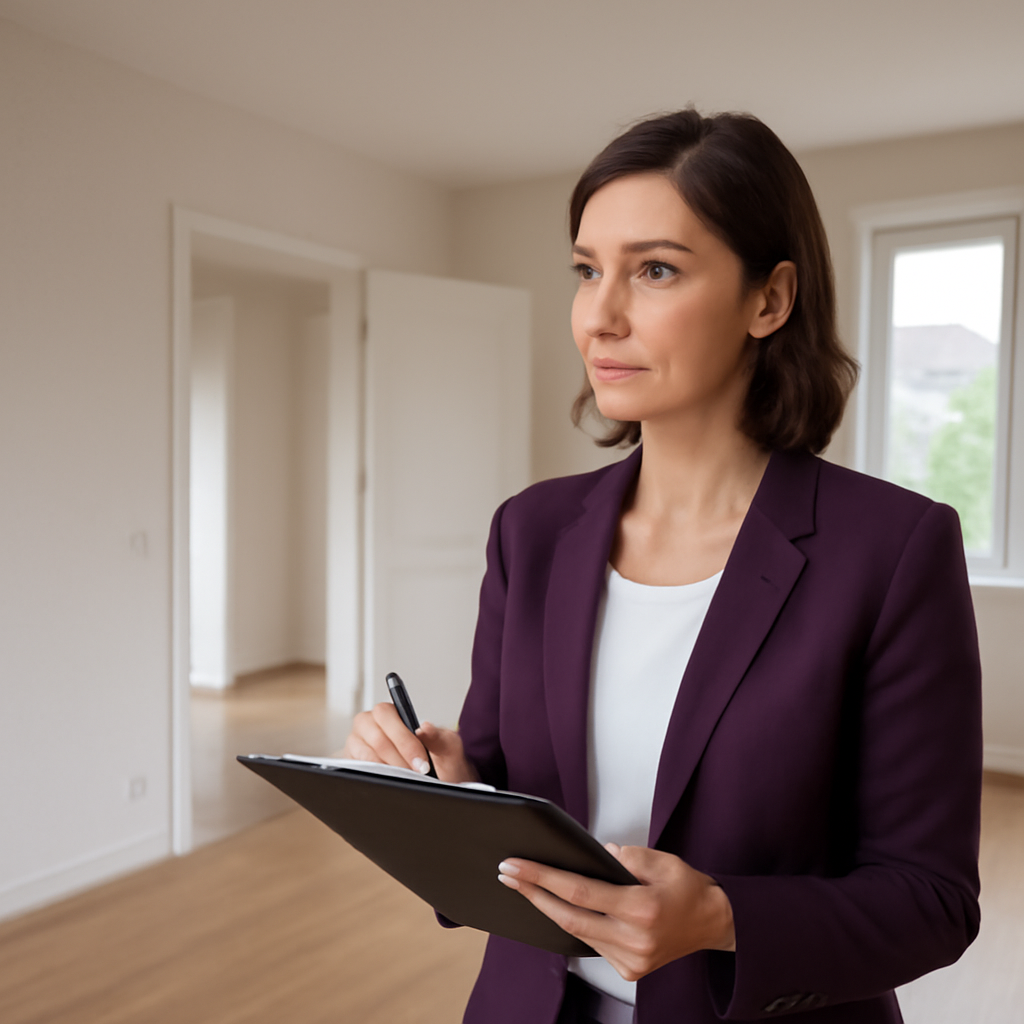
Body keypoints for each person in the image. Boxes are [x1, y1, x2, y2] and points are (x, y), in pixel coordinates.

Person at [341, 109, 983, 1024]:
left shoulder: (893, 550)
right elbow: (504, 804)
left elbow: (932, 901)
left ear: (770, 300)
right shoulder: (530, 532)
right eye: (586, 270)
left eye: (654, 270)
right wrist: (450, 793)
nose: (599, 316)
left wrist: (723, 918)